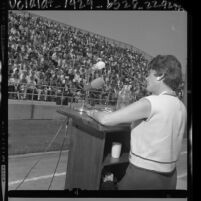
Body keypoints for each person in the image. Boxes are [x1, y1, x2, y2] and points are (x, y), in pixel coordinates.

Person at [87, 55, 187, 190]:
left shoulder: (151, 102)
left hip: (143, 176)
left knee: (106, 185)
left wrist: (91, 112)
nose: (146, 78)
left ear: (160, 76)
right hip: (170, 178)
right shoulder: (181, 106)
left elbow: (106, 119)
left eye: (149, 74)